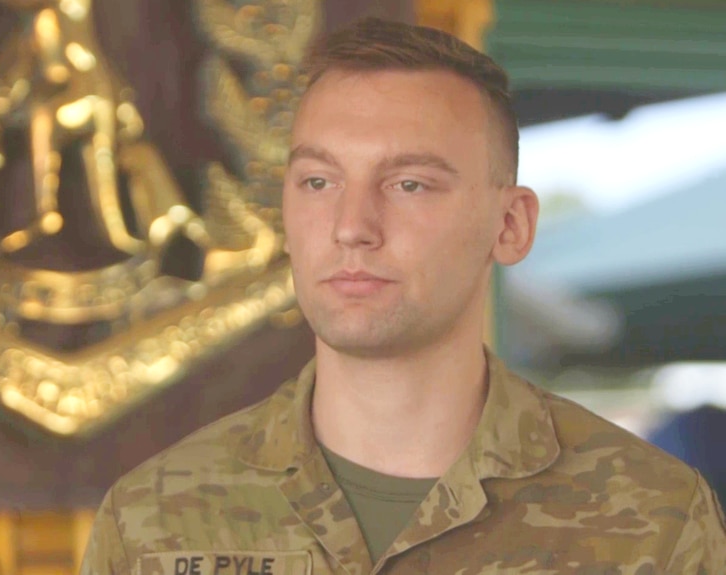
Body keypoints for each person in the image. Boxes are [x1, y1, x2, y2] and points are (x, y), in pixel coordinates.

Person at [80, 18, 726, 574]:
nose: (351, 225)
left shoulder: (651, 517)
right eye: (318, 180)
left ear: (511, 225)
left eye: (410, 183)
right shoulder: (152, 518)